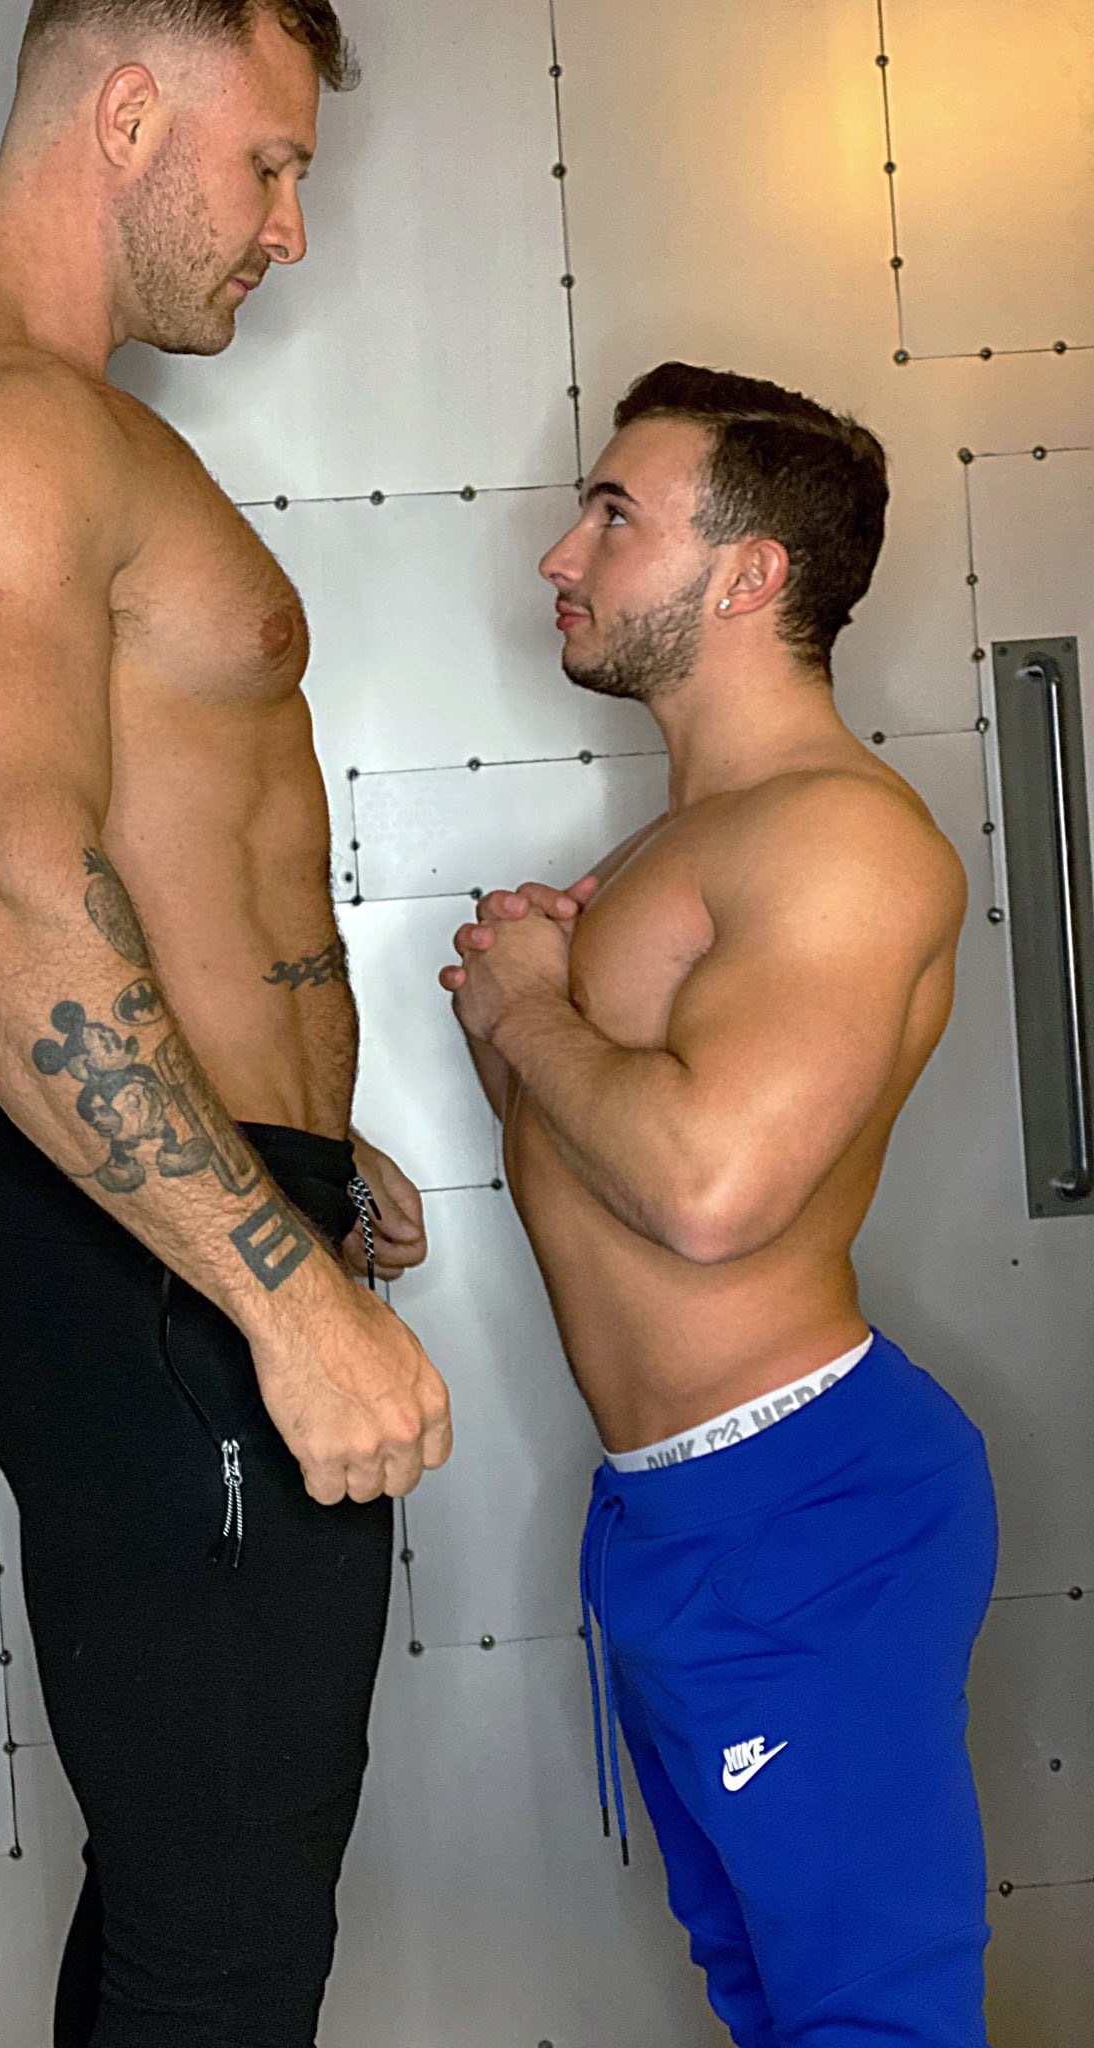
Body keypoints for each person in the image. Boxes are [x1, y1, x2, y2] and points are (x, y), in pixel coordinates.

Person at [0, 4, 452, 2042]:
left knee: (193, 1903)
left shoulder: (51, 425)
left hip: (187, 1229)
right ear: (130, 108)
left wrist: (306, 1138)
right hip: (168, 1276)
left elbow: (150, 850)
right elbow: (6, 894)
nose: (289, 230)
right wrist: (286, 1288)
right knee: (230, 1942)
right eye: (270, 165)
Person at [442, 363, 998, 2047]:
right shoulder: (673, 851)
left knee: (868, 2024)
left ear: (752, 576)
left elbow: (707, 1195)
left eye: (616, 516)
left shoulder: (840, 843)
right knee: (764, 2001)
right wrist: (513, 1028)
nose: (561, 554)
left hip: (804, 1508)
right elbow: (595, 1178)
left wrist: (534, 1012)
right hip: (674, 1511)